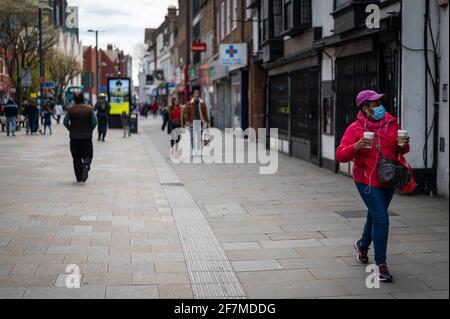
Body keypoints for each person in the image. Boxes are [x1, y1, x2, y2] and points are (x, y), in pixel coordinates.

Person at [336, 90, 411, 283]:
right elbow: (340, 155)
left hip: (388, 178)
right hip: (366, 180)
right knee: (381, 217)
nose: (379, 107)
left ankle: (362, 246)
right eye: (375, 104)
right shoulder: (355, 129)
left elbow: (401, 149)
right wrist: (356, 147)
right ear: (365, 108)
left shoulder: (392, 123)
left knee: (375, 214)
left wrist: (403, 145)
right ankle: (381, 265)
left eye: (380, 103)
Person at [63, 92, 97, 183]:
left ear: (74, 99)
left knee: (76, 157)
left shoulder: (70, 109)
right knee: (88, 155)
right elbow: (94, 122)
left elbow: (65, 122)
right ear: (83, 99)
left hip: (74, 138)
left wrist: (71, 129)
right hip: (86, 138)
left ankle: (79, 177)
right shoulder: (89, 109)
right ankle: (86, 165)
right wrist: (90, 130)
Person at [184, 89, 210, 155]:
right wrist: (186, 121)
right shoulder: (189, 103)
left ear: (199, 95)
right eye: (195, 94)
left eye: (197, 94)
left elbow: (205, 113)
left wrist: (207, 121)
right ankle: (193, 150)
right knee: (192, 137)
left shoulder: (202, 103)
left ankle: (199, 150)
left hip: (200, 122)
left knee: (199, 137)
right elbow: (187, 113)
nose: (196, 95)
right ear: (193, 95)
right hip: (192, 122)